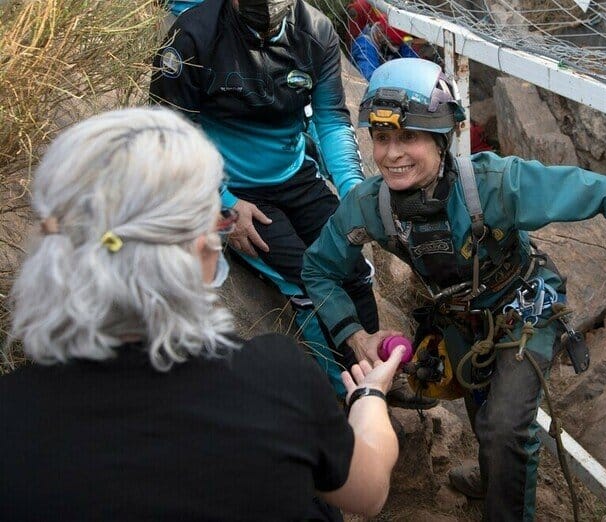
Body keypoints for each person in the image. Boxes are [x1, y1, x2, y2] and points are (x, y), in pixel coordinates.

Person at [301, 58, 606, 521]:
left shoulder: (496, 186)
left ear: (441, 139)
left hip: (524, 309)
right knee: (483, 410)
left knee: (505, 427)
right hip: (458, 322)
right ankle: (493, 476)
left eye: (409, 137)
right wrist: (355, 335)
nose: (392, 154)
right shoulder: (370, 207)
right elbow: (318, 268)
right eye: (382, 138)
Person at [0, 107, 404, 521]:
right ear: (199, 254)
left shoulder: (12, 413)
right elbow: (367, 492)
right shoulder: (271, 380)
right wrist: (369, 397)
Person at [149, 0, 433, 408]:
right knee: (305, 278)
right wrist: (222, 202)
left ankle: (376, 374)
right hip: (230, 188)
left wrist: (355, 194)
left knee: (353, 267)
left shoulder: (316, 31)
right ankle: (343, 395)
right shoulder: (193, 35)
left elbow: (331, 120)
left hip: (296, 174)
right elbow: (167, 132)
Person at [350, 15, 419, 81]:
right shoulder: (364, 46)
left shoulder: (389, 38)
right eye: (393, 43)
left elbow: (414, 63)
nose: (395, 47)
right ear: (381, 33)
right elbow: (370, 78)